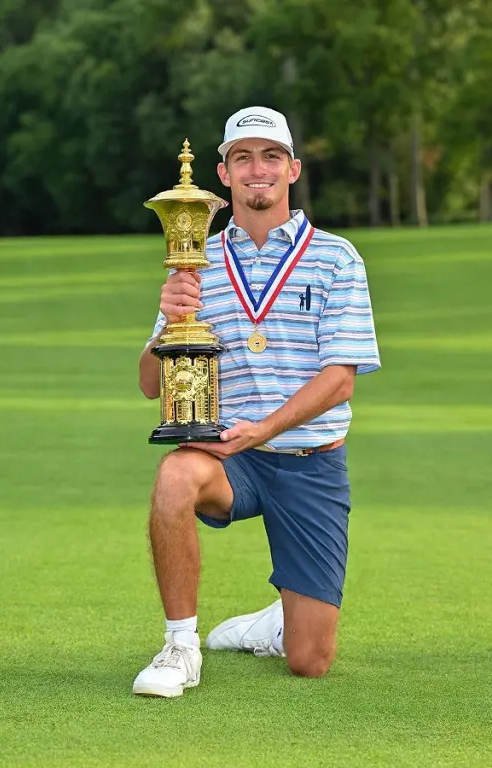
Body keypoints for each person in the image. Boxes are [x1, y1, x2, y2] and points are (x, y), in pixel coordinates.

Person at [131, 106, 380, 697]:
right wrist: (169, 318)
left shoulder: (337, 257)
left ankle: (274, 623)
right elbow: (149, 383)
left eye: (270, 156)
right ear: (223, 173)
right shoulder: (196, 263)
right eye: (243, 158)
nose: (257, 169)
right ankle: (180, 648)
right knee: (173, 477)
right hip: (229, 461)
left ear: (292, 168)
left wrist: (261, 430)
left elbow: (340, 379)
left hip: (309, 462)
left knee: (310, 661)